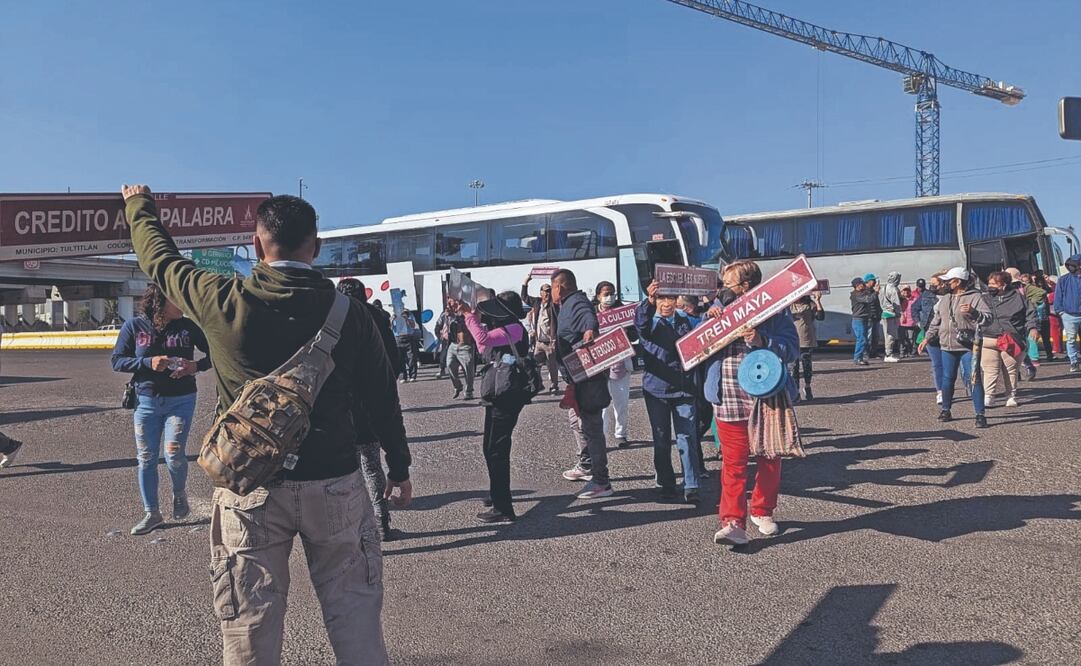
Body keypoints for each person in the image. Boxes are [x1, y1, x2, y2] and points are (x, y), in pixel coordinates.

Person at [122, 185, 410, 664]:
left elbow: (161, 261)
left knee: (249, 627)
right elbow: (384, 399)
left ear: (256, 245)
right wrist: (398, 468)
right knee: (354, 614)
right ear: (314, 247)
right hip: (334, 481)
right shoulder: (351, 314)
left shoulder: (221, 299)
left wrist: (138, 206)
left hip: (248, 486)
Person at [707, 260, 800, 546]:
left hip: (766, 399)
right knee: (733, 464)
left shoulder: (775, 310)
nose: (724, 288)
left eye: (729, 283)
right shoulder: (717, 310)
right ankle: (733, 521)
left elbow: (792, 349)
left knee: (769, 460)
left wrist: (761, 339)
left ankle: (762, 510)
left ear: (746, 286)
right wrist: (707, 321)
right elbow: (697, 345)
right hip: (729, 398)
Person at [110, 284, 211, 535]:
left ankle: (179, 494)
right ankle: (151, 513)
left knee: (174, 454)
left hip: (182, 399)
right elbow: (117, 360)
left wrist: (195, 367)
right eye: (177, 300)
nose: (183, 305)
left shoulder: (188, 327)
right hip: (146, 402)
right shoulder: (134, 327)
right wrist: (147, 362)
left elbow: (218, 352)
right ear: (160, 301)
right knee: (146, 458)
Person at [337, 278, 404, 541]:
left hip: (341, 406)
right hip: (371, 405)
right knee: (372, 465)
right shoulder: (378, 318)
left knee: (347, 470)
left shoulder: (334, 315)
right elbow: (393, 360)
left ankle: (353, 527)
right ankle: (380, 521)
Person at [459, 291, 530, 523]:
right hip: (497, 393)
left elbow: (484, 340)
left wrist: (470, 317)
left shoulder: (515, 328)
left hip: (508, 394)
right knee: (489, 447)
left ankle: (503, 508)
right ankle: (497, 493)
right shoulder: (503, 328)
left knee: (497, 450)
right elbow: (484, 350)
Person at [634, 280, 702, 504]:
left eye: (671, 299)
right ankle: (666, 483)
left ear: (677, 300)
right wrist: (648, 302)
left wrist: (713, 310)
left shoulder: (686, 320)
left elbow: (706, 332)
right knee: (661, 439)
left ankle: (691, 484)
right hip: (657, 390)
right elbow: (641, 326)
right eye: (662, 299)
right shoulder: (650, 322)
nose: (667, 303)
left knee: (687, 438)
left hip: (684, 389)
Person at [552, 268, 613, 499]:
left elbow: (589, 318)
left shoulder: (576, 302)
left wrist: (589, 330)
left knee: (592, 429)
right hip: (578, 380)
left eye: (553, 287)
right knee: (579, 424)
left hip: (588, 379)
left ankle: (601, 481)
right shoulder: (565, 304)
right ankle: (588, 465)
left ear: (560, 286)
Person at [919, 267, 991, 428]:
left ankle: (980, 414)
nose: (945, 284)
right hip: (947, 345)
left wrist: (974, 313)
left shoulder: (975, 297)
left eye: (948, 281)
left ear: (958, 282)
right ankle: (946, 409)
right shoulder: (945, 299)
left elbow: (988, 318)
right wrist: (927, 338)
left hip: (968, 345)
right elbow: (936, 321)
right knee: (947, 378)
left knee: (974, 378)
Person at [981, 271, 1038, 408]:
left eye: (994, 284)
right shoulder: (984, 298)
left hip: (1012, 338)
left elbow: (1030, 314)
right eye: (989, 283)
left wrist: (1033, 328)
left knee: (1011, 369)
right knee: (989, 369)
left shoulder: (1019, 298)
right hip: (989, 337)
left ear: (1004, 285)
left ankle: (1011, 395)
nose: (990, 286)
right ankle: (989, 396)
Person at [594, 280, 632, 448]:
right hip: (600, 366)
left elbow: (633, 334)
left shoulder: (622, 313)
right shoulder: (591, 315)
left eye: (612, 293)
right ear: (598, 297)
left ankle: (621, 434)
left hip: (620, 365)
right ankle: (600, 438)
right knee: (601, 406)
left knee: (621, 403)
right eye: (606, 294)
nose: (609, 297)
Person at [521, 276, 560, 394]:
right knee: (534, 363)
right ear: (540, 293)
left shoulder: (554, 304)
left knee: (552, 366)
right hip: (539, 342)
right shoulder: (537, 302)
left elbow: (559, 299)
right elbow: (524, 297)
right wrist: (526, 282)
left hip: (550, 342)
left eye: (549, 291)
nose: (547, 293)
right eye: (544, 291)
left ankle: (554, 386)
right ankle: (537, 384)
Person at [789, 292, 824, 400]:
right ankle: (796, 391)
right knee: (794, 367)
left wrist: (818, 301)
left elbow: (820, 317)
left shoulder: (810, 304)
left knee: (807, 365)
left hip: (806, 339)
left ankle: (807, 387)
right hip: (793, 340)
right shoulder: (789, 305)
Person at [1052, 254, 1081, 373]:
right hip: (1069, 315)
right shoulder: (1063, 279)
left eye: (1073, 265)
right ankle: (1074, 361)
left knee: (1071, 340)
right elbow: (1058, 297)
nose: (1071, 267)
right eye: (1070, 265)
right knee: (1071, 340)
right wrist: (1060, 311)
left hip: (1071, 313)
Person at [445, 300, 477, 398]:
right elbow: (441, 326)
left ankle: (469, 391)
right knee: (450, 365)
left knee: (468, 369)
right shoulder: (448, 315)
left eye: (453, 303)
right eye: (449, 303)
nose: (451, 305)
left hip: (466, 345)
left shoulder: (468, 313)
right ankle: (458, 386)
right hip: (453, 345)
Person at [849, 277, 876, 365]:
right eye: (861, 284)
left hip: (863, 318)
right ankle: (857, 358)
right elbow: (869, 299)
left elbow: (868, 296)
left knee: (864, 339)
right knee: (861, 339)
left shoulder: (861, 293)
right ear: (856, 285)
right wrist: (876, 292)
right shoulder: (856, 295)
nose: (863, 285)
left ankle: (860, 357)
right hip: (858, 319)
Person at [878, 271, 903, 362]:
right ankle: (889, 354)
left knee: (887, 334)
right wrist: (900, 313)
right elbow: (896, 304)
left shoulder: (883, 288)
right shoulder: (893, 289)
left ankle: (888, 353)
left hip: (884, 313)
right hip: (891, 314)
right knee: (891, 335)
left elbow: (880, 301)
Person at [392, 307, 421, 382]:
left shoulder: (409, 317)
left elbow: (413, 326)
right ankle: (402, 377)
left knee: (411, 358)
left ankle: (412, 376)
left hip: (409, 337)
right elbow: (389, 326)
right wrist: (392, 319)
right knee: (400, 359)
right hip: (398, 338)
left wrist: (406, 319)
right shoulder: (395, 318)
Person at [864, 273, 883, 357]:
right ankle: (866, 352)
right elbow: (870, 301)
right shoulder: (865, 291)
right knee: (869, 336)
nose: (875, 282)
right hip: (869, 317)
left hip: (876, 316)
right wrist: (876, 292)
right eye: (873, 280)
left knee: (876, 336)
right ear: (868, 281)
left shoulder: (872, 291)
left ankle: (873, 352)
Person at [898, 285, 918, 358]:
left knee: (910, 338)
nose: (906, 292)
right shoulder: (899, 300)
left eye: (907, 290)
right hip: (901, 322)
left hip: (911, 322)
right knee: (901, 338)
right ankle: (902, 352)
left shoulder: (914, 299)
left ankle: (910, 351)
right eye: (904, 290)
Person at [1047, 277, 1064, 358]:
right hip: (1056, 312)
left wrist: (1048, 296)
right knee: (1057, 330)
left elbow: (1051, 299)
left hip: (1053, 312)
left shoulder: (1055, 290)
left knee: (1055, 331)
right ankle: (1059, 347)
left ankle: (1057, 347)